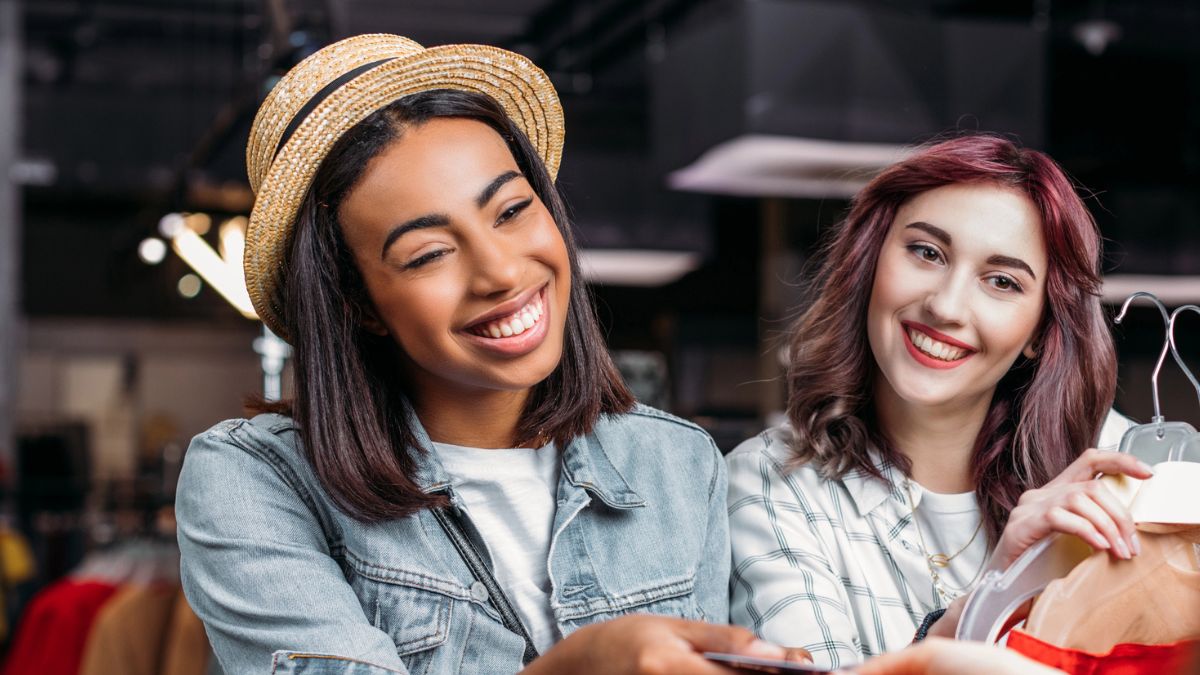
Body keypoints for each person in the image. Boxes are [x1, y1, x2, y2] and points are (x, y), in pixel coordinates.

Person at [176, 34, 788, 675]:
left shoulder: (677, 462)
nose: (499, 271)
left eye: (512, 210)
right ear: (356, 303)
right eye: (429, 254)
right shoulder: (256, 479)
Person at [727, 134, 1153, 669]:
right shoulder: (772, 482)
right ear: (870, 261)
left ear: (1041, 329)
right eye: (927, 252)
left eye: (1001, 282)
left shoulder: (1120, 470)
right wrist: (996, 594)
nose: (946, 306)